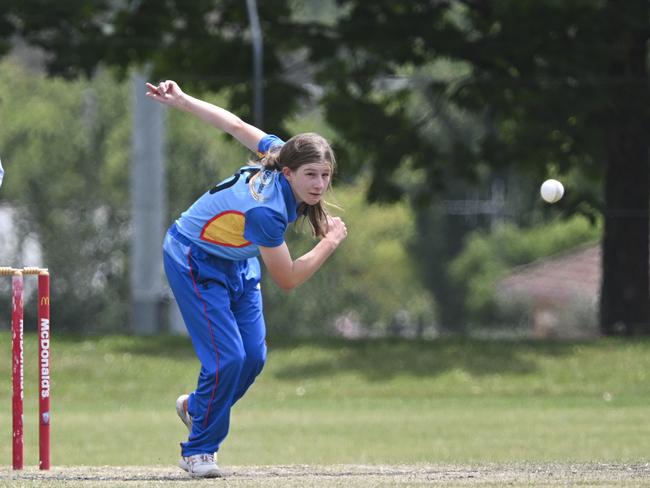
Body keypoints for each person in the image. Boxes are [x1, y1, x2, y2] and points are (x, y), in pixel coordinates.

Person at [146, 80, 347, 478]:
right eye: (311, 175)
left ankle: (196, 409)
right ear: (288, 172)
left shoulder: (278, 154)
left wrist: (184, 99)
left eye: (325, 175)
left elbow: (235, 124)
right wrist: (331, 242)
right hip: (193, 258)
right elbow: (288, 278)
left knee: (252, 357)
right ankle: (199, 451)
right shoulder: (266, 212)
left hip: (237, 261)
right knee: (228, 358)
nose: (319, 185)